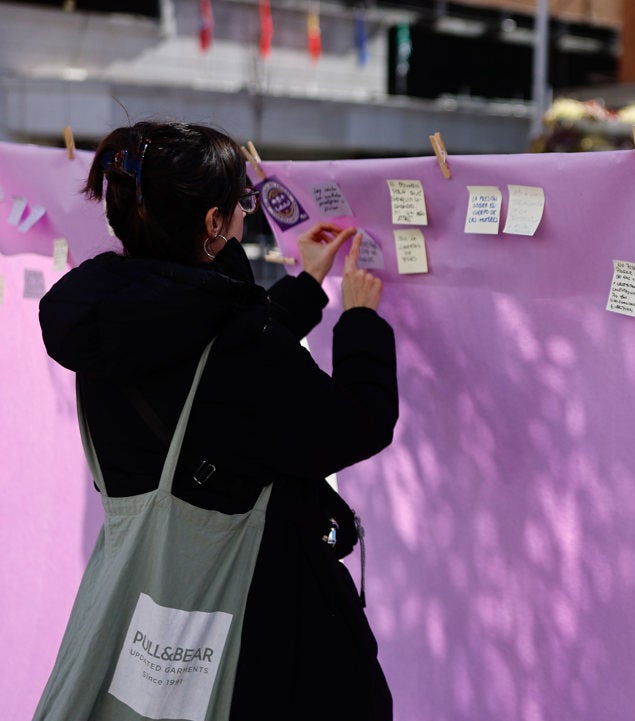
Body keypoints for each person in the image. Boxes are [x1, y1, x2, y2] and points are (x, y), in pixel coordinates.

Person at [36, 121, 398, 718]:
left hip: (155, 599)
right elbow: (358, 422)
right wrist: (360, 321)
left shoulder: (108, 322)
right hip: (268, 625)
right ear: (212, 223)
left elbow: (211, 369)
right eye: (240, 204)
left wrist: (305, 285)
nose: (244, 217)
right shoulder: (235, 349)